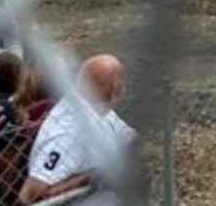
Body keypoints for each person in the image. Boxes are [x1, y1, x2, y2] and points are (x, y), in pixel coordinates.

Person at [22, 54, 138, 205]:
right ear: (107, 86)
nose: (123, 86)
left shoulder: (97, 108)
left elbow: (132, 139)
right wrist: (92, 177)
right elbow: (31, 194)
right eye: (119, 79)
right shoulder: (68, 130)